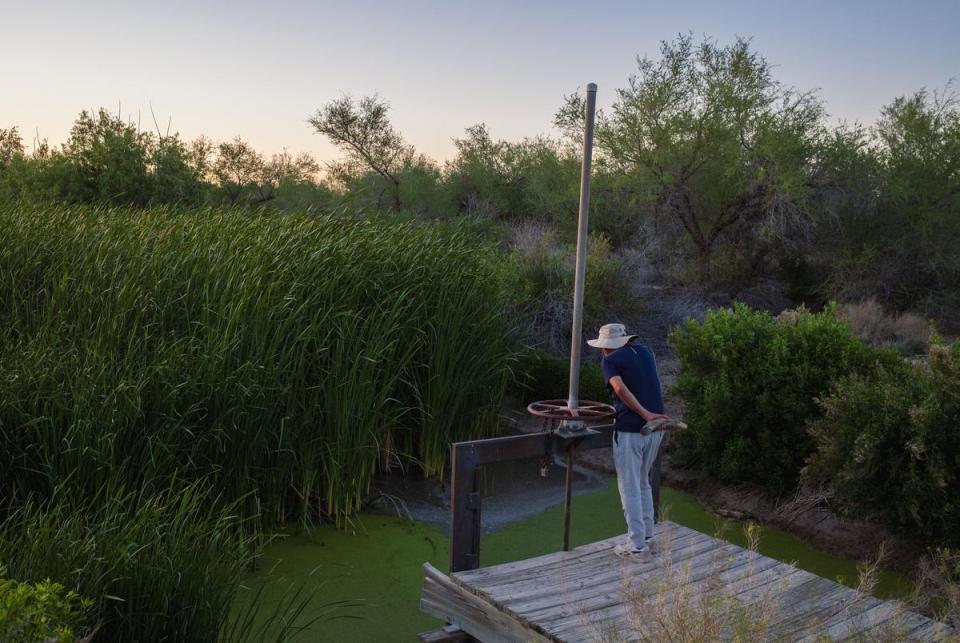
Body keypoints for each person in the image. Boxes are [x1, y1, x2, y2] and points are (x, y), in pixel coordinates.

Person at [588, 323, 667, 561]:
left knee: (629, 486)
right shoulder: (644, 352)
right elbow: (652, 385)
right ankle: (649, 538)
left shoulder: (610, 361)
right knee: (643, 482)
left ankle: (636, 547)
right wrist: (653, 414)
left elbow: (620, 389)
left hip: (632, 428)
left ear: (605, 348)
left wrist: (644, 414)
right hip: (657, 427)